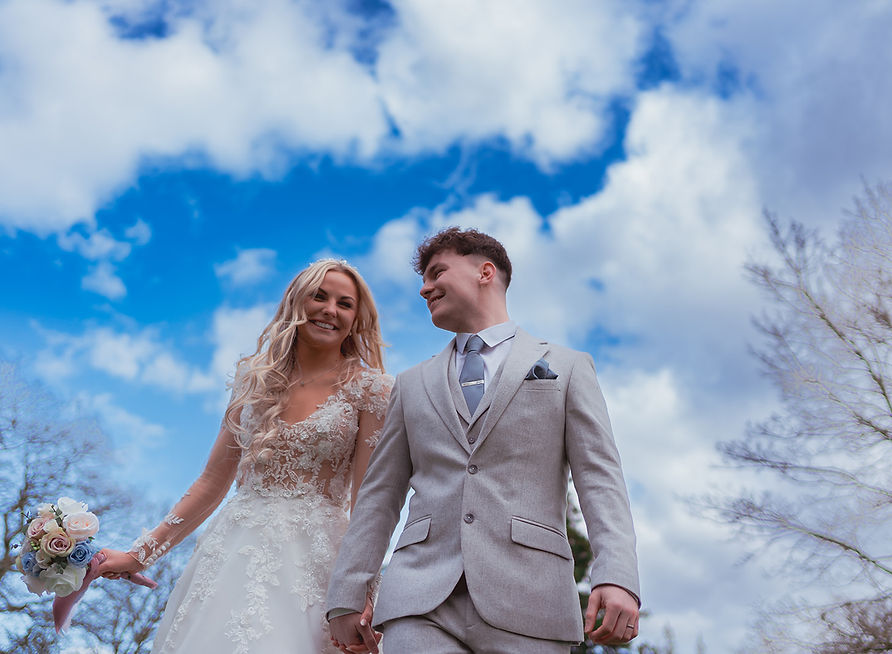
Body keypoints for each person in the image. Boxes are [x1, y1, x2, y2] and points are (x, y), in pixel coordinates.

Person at [327, 228, 640, 654]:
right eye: (423, 280)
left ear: (485, 272)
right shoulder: (411, 384)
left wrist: (617, 575)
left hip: (532, 599)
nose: (424, 289)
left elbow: (601, 479)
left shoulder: (567, 368)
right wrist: (347, 593)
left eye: (437, 273)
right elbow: (379, 495)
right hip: (419, 600)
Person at [97, 259, 393, 654]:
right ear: (296, 302)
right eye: (319, 297)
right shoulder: (254, 380)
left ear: (356, 318)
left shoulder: (372, 391)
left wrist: (362, 595)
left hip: (316, 569)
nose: (330, 310)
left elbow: (369, 503)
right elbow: (211, 482)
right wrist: (139, 555)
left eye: (345, 304)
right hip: (232, 556)